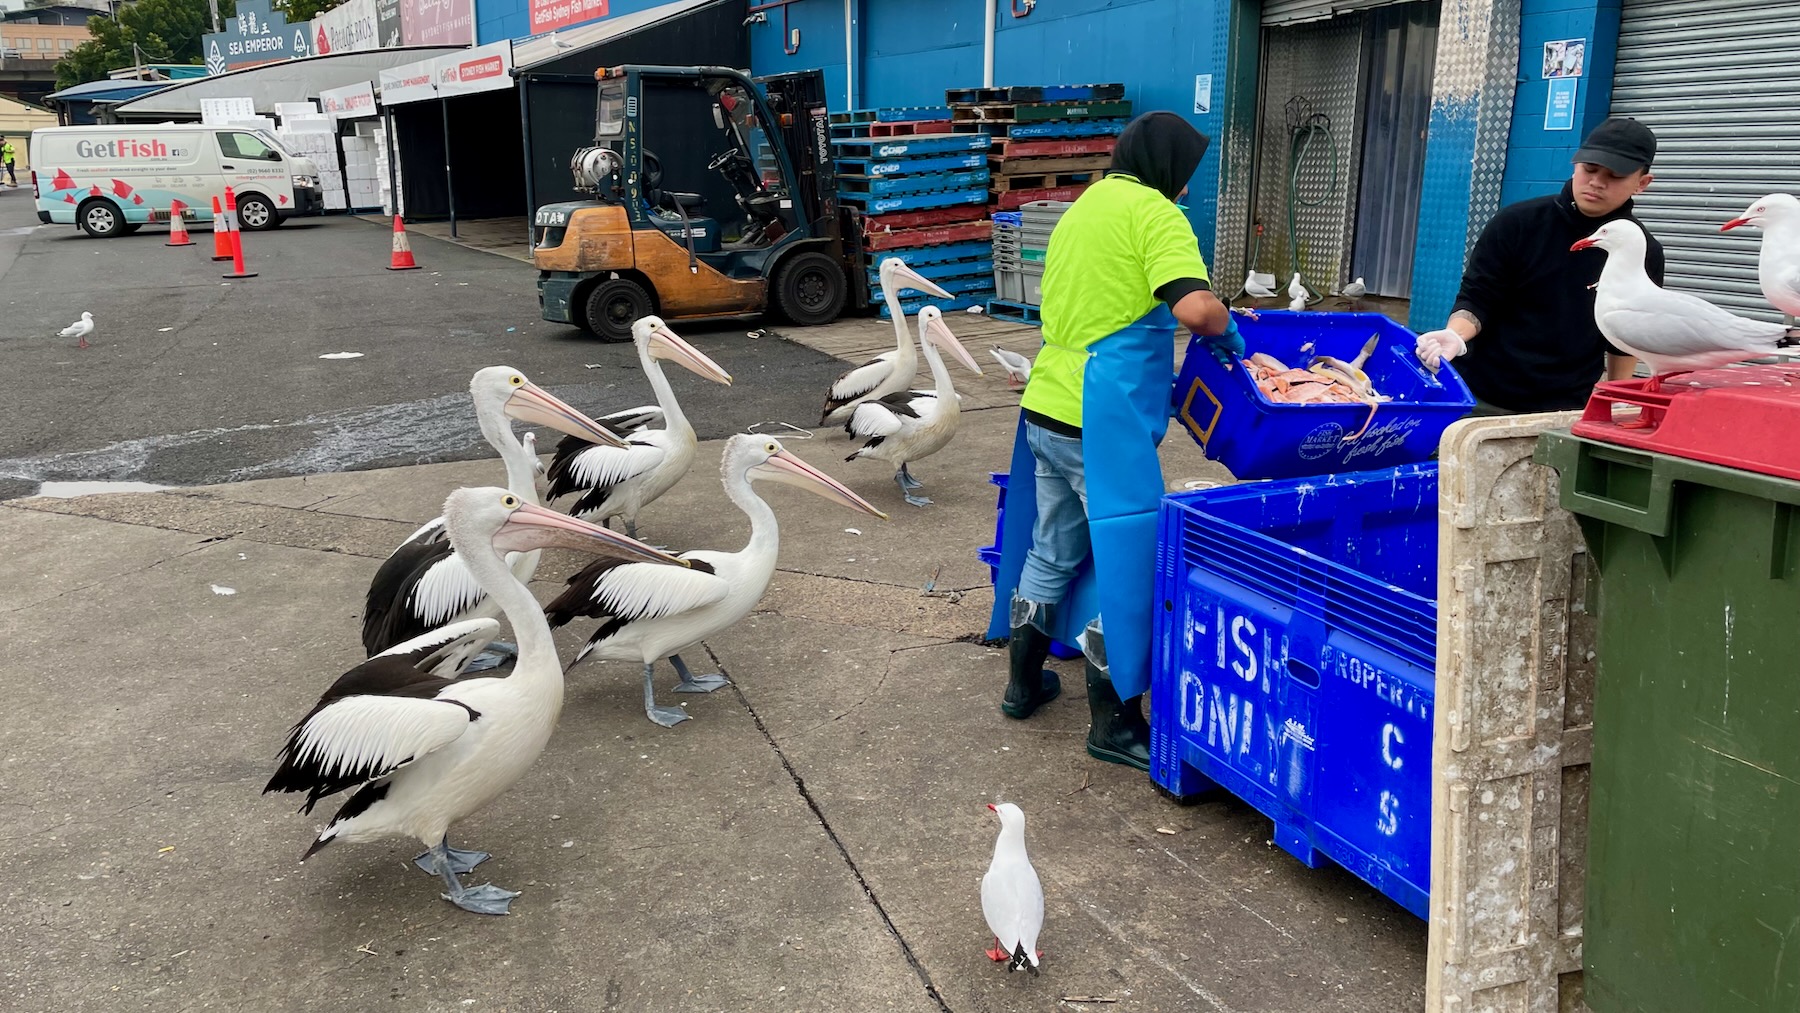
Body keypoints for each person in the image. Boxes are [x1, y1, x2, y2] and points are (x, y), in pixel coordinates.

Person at [986, 111, 1238, 771]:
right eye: (1183, 175)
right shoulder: (1156, 216)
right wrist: (1227, 324)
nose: (1184, 189)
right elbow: (1192, 307)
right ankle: (1115, 719)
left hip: (1046, 404)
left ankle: (1022, 684)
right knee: (1131, 561)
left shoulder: (1084, 207)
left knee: (1052, 546)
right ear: (1166, 168)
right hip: (1105, 416)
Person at [1415, 116, 1666, 413]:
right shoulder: (1516, 223)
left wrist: (1618, 399)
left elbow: (1626, 336)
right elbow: (1478, 296)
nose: (1597, 182)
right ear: (1575, 165)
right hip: (1481, 396)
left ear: (1642, 183)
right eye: (1590, 169)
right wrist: (1455, 335)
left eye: (1615, 175)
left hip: (1564, 410)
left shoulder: (1643, 251)